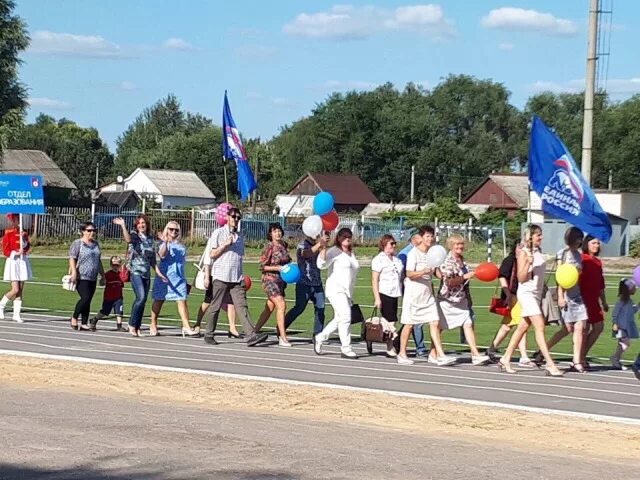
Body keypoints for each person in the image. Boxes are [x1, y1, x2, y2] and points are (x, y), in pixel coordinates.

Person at [498, 225, 563, 376]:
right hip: (526, 293)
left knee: (523, 326)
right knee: (539, 325)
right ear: (530, 236)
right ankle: (550, 364)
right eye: (538, 235)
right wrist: (528, 262)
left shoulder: (538, 251)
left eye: (541, 235)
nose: (541, 237)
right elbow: (521, 277)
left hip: (536, 293)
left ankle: (505, 358)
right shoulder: (523, 253)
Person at [202, 207, 268, 347]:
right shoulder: (218, 233)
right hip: (221, 275)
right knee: (215, 306)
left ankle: (251, 335)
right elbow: (212, 254)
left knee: (242, 306)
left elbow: (239, 257)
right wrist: (225, 244)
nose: (236, 219)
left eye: (238, 217)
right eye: (233, 216)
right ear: (227, 217)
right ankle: (209, 333)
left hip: (236, 278)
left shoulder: (240, 236)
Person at [397, 225, 454, 366]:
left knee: (435, 322)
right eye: (427, 236)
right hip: (413, 293)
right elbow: (409, 274)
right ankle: (402, 354)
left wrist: (444, 276)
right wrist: (422, 271)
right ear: (421, 237)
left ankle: (438, 354)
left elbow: (436, 271)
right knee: (409, 324)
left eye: (431, 236)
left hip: (428, 294)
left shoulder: (432, 253)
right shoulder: (413, 254)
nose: (430, 238)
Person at [536, 227, 588, 373]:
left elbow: (577, 274)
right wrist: (560, 296)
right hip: (566, 295)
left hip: (577, 294)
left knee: (580, 327)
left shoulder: (579, 255)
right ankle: (542, 350)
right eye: (578, 238)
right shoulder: (563, 254)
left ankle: (576, 361)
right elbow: (561, 276)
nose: (579, 241)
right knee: (567, 329)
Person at [437, 235, 490, 366]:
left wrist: (469, 297)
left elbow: (465, 283)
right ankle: (435, 353)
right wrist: (466, 276)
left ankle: (475, 355)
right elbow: (448, 282)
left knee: (468, 324)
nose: (460, 247)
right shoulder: (447, 261)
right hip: (447, 300)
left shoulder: (461, 260)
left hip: (461, 300)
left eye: (461, 244)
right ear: (451, 246)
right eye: (457, 245)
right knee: (439, 327)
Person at [313, 227, 359, 359]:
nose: (347, 239)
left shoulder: (351, 253)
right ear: (338, 238)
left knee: (339, 318)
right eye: (344, 236)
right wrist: (323, 247)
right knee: (345, 317)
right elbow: (321, 264)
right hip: (335, 289)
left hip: (347, 291)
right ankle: (346, 348)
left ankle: (320, 337)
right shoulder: (334, 251)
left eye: (349, 236)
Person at [486, 241, 532, 366]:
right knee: (520, 324)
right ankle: (523, 356)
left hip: (522, 296)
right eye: (519, 246)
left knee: (510, 325)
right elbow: (502, 277)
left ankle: (492, 348)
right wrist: (507, 294)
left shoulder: (526, 261)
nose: (522, 249)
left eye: (524, 247)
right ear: (515, 247)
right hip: (512, 296)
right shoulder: (510, 260)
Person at [150, 221, 197, 337]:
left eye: (176, 230)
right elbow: (162, 255)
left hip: (179, 277)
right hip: (165, 276)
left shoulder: (181, 245)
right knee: (159, 300)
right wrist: (165, 242)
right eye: (171, 229)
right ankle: (153, 324)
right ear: (167, 230)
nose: (173, 232)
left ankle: (186, 326)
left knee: (182, 300)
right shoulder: (163, 243)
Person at [113, 215, 156, 337]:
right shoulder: (134, 235)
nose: (141, 225)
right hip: (135, 272)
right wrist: (122, 225)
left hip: (146, 273)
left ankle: (137, 327)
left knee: (143, 301)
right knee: (140, 298)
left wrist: (159, 273)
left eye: (143, 223)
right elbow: (128, 240)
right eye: (139, 223)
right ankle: (132, 324)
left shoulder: (150, 238)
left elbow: (152, 258)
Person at [283, 232, 329, 339]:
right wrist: (319, 244)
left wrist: (324, 246)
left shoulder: (320, 245)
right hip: (304, 283)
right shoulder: (302, 244)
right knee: (299, 308)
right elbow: (306, 254)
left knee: (320, 308)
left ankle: (318, 334)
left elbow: (323, 260)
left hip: (317, 283)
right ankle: (282, 326)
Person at [193, 233, 240, 338]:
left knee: (230, 301)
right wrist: (206, 276)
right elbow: (207, 258)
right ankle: (197, 324)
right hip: (214, 274)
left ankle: (232, 328)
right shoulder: (215, 238)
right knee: (208, 301)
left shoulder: (232, 238)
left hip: (227, 274)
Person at [254, 223, 292, 347]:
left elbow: (288, 261)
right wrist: (277, 268)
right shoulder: (269, 247)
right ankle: (282, 337)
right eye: (274, 231)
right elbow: (261, 266)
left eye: (279, 230)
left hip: (281, 282)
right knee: (281, 305)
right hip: (270, 280)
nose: (278, 233)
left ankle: (254, 331)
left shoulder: (284, 245)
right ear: (270, 234)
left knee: (269, 308)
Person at [68, 222, 105, 331]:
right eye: (89, 230)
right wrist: (74, 272)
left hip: (92, 276)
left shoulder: (96, 244)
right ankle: (74, 317)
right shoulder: (77, 243)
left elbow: (98, 260)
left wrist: (102, 275)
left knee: (88, 300)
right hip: (81, 276)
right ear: (83, 231)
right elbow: (72, 258)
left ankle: (84, 322)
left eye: (94, 230)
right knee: (85, 298)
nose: (92, 233)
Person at [371, 234, 403, 357]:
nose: (393, 246)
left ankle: (390, 346)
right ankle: (393, 339)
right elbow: (375, 279)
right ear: (384, 245)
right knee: (389, 320)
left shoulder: (396, 260)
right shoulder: (379, 260)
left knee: (392, 320)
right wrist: (377, 297)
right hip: (384, 292)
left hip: (395, 292)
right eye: (391, 244)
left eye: (394, 244)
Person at [398, 232, 428, 357]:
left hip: (421, 289)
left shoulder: (423, 252)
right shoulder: (407, 253)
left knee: (410, 321)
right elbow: (404, 273)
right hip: (410, 289)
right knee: (414, 320)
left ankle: (396, 340)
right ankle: (420, 347)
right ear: (415, 239)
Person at [580, 235, 609, 367]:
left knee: (599, 327)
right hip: (582, 299)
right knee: (583, 329)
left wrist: (604, 301)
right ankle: (579, 358)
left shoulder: (598, 262)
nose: (596, 245)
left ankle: (582, 354)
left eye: (598, 243)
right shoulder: (582, 259)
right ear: (587, 244)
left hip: (594, 300)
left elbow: (601, 284)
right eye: (594, 243)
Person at [0, 213, 32, 323]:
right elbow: (5, 250)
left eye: (18, 219)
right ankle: (1, 305)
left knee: (20, 290)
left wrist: (24, 240)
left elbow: (27, 247)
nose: (17, 221)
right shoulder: (8, 233)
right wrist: (16, 253)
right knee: (15, 289)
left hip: (22, 261)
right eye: (15, 219)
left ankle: (16, 314)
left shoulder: (24, 233)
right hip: (13, 262)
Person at [89, 256, 125, 331]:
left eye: (117, 265)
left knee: (119, 312)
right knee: (105, 312)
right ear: (111, 265)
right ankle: (95, 319)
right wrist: (103, 280)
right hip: (109, 297)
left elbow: (123, 283)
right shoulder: (108, 274)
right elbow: (101, 283)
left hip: (118, 297)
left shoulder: (121, 274)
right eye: (113, 265)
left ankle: (119, 325)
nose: (115, 267)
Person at [610, 279, 638, 370]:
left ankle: (616, 360)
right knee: (625, 343)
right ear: (629, 289)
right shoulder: (622, 301)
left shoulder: (629, 301)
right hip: (621, 326)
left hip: (626, 326)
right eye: (634, 288)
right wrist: (615, 323)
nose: (635, 289)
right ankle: (615, 358)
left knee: (622, 343)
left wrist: (638, 306)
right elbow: (615, 312)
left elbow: (632, 311)